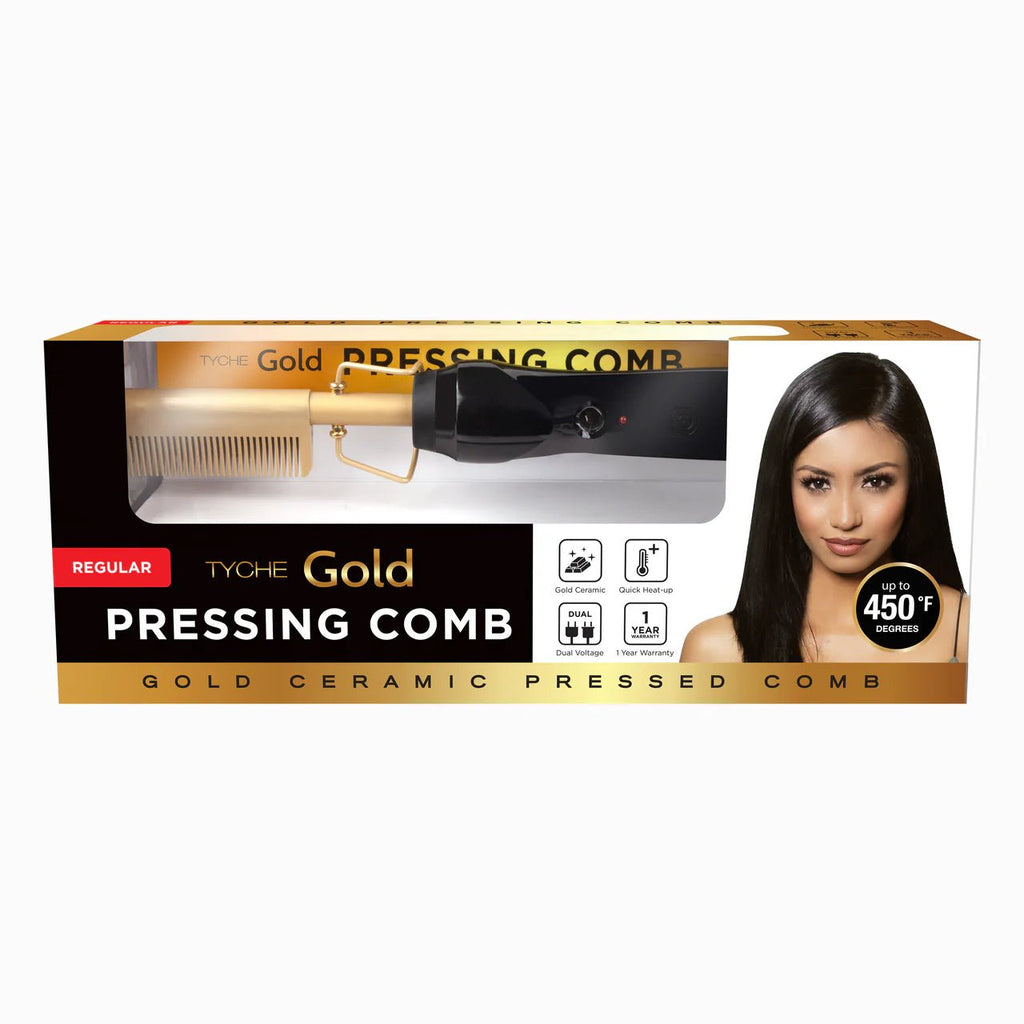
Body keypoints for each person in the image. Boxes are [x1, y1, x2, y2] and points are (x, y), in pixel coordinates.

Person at [681, 352, 968, 662]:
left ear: (915, 481)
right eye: (817, 483)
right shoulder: (715, 651)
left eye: (875, 481)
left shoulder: (963, 633)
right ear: (783, 487)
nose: (845, 518)